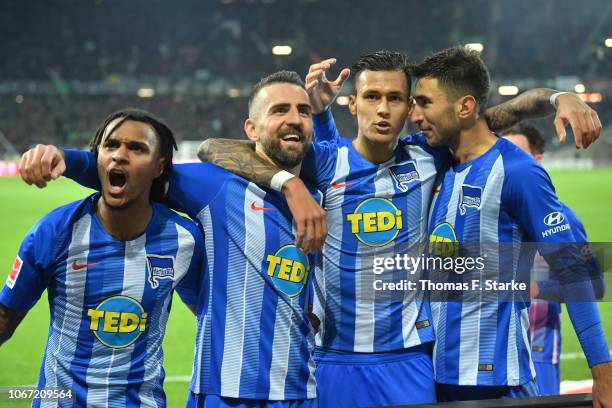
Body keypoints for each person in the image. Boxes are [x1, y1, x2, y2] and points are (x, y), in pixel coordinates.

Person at [195, 50, 601, 407]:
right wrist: (293, 182)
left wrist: (559, 97)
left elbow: (492, 117)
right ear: (352, 103)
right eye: (372, 97)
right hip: (333, 360)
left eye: (397, 99)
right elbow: (215, 148)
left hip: (412, 363)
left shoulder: (429, 156)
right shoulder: (322, 162)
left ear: (410, 110)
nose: (383, 109)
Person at [18, 71, 323, 408]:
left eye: (304, 111)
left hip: (302, 390)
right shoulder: (214, 186)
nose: (294, 119)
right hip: (225, 394)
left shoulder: (324, 194)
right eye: (279, 110)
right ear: (251, 129)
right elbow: (133, 171)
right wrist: (62, 157)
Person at [410, 46, 612, 404]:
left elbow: (572, 269)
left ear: (464, 107)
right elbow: (517, 106)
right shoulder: (438, 157)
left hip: (497, 383)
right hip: (435, 375)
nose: (414, 115)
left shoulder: (518, 172)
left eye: (425, 103)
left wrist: (603, 372)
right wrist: (559, 97)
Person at [1, 109, 204, 407]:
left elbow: (208, 313)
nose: (119, 156)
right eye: (111, 145)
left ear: (159, 167)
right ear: (97, 159)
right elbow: (5, 320)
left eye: (136, 148)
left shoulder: (186, 239)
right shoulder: (55, 232)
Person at [503, 123, 604, 396]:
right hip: (494, 351)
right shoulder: (486, 219)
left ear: (537, 161)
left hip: (540, 350)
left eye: (516, 155)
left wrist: (540, 290)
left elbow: (596, 285)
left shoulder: (563, 221)